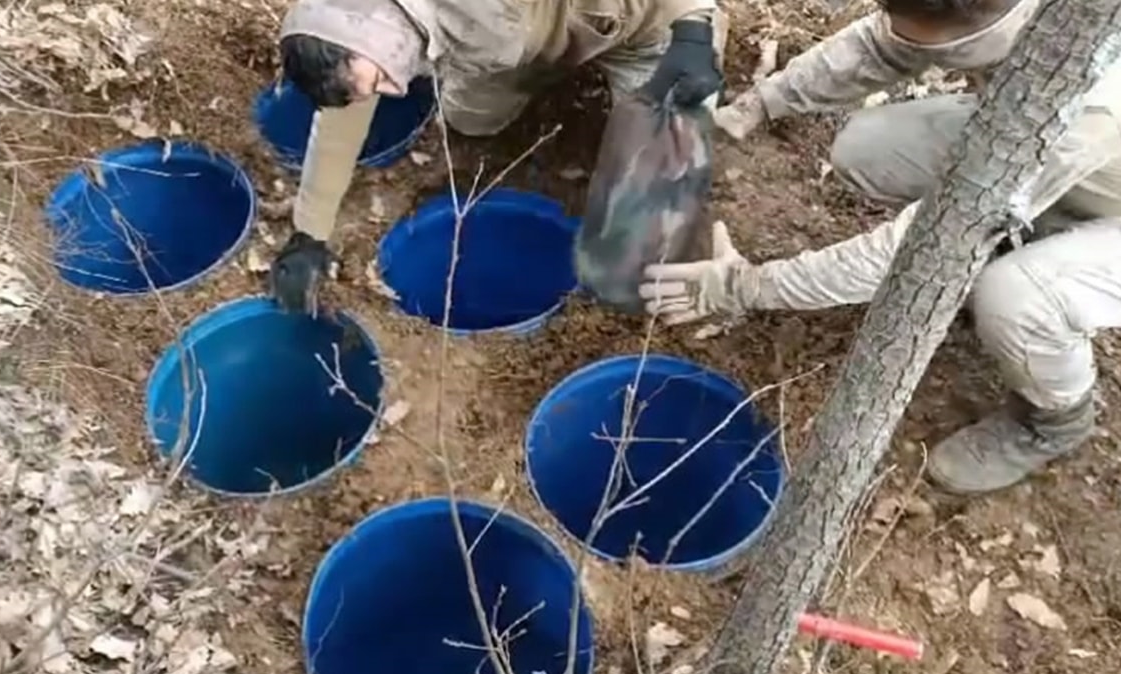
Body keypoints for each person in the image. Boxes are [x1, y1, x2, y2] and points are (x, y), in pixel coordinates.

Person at [638, 0, 1121, 495]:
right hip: (1042, 145)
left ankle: (1054, 420)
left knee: (1015, 295)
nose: (898, 36)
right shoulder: (1004, 17)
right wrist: (758, 104)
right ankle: (1011, 229)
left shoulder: (1089, 95)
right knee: (867, 149)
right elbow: (875, 45)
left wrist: (747, 285)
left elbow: (906, 250)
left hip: (1106, 201)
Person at [270, 0, 730, 313]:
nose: (393, 91)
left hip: (633, 24)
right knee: (471, 120)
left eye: (378, 79)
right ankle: (554, 81)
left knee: (641, 244)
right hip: (516, 43)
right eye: (375, 85)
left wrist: (692, 27)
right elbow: (341, 119)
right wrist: (309, 232)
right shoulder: (358, 19)